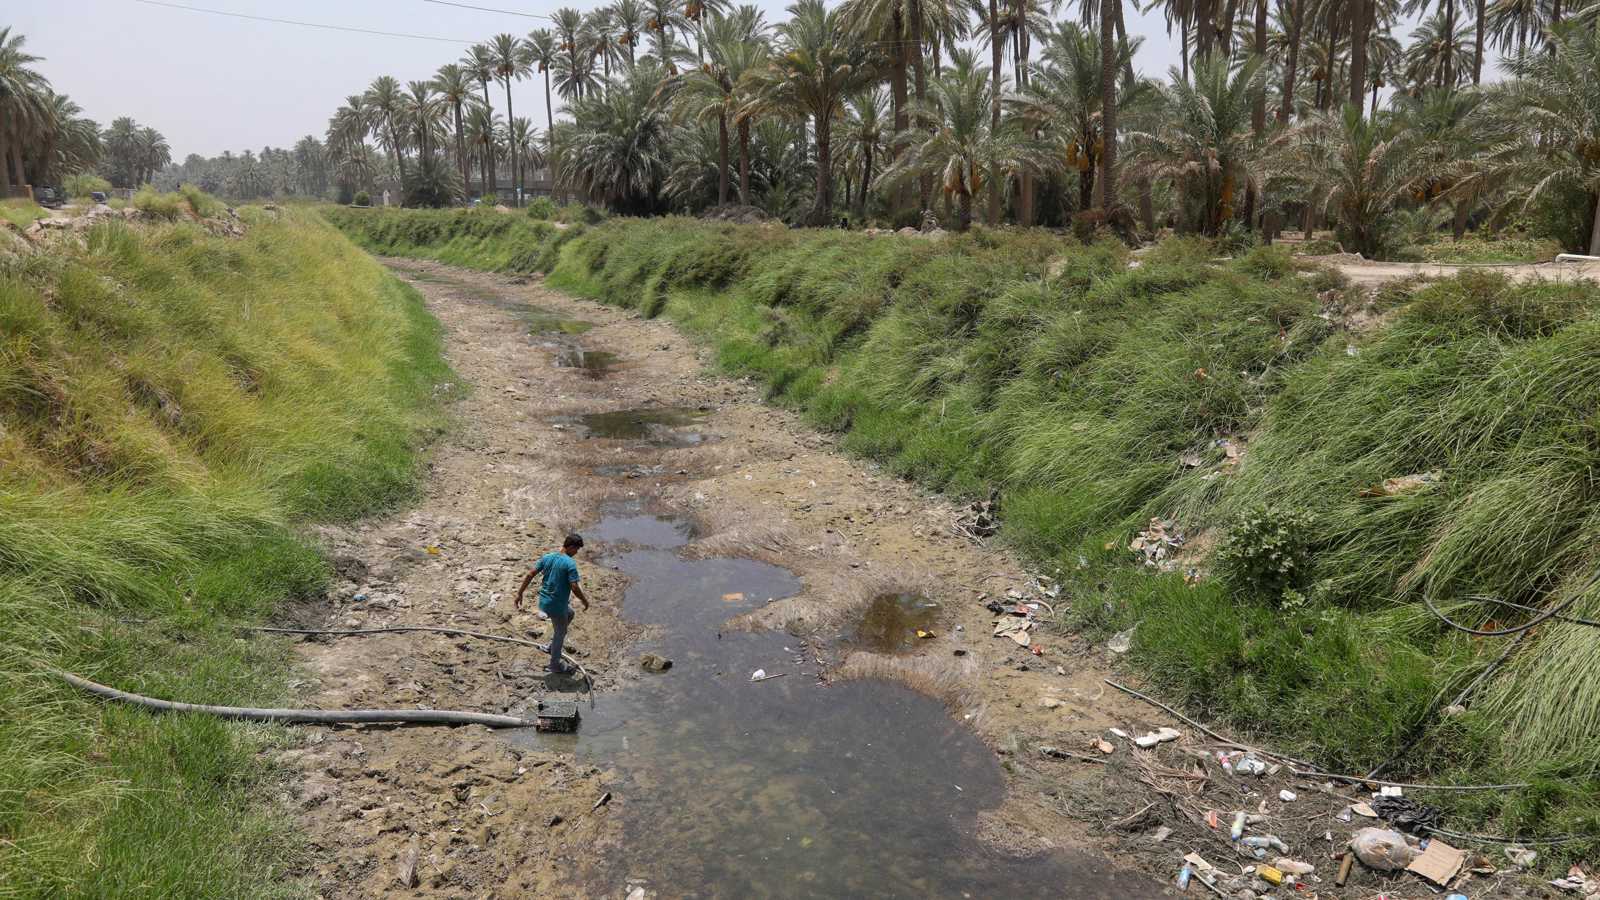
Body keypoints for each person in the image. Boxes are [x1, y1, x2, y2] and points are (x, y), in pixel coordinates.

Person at [515, 533, 590, 674]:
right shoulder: (570, 563)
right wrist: (584, 600)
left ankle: (550, 647)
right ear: (571, 547)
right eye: (577, 549)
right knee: (560, 633)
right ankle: (554, 665)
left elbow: (530, 574)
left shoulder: (548, 557)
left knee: (570, 613)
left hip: (543, 602)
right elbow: (574, 587)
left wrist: (519, 593)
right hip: (556, 606)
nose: (576, 553)